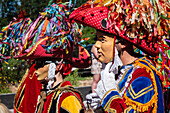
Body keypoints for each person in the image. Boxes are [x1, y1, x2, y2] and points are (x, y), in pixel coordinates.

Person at [70, 0, 170, 112]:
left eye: (102, 40)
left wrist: (109, 96)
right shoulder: (123, 71)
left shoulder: (142, 75)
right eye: (96, 39)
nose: (96, 46)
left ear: (123, 43)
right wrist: (101, 107)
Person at [0, 2, 91, 113]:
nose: (36, 70)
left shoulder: (67, 98)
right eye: (36, 64)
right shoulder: (46, 94)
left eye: (41, 64)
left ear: (58, 66)